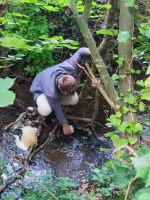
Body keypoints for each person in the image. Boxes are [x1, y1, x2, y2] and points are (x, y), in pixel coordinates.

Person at [29, 47, 91, 135]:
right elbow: (57, 108)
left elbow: (81, 52)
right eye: (65, 93)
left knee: (74, 99)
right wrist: (64, 124)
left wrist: (91, 52)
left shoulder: (69, 66)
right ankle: (41, 110)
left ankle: (55, 100)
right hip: (40, 87)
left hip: (52, 84)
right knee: (47, 110)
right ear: (59, 87)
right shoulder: (51, 92)